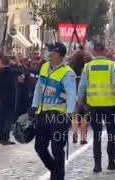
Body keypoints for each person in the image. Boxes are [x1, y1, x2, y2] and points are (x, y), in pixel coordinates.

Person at [30, 42, 77, 180]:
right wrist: (34, 105)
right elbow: (39, 88)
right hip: (43, 114)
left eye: (53, 52)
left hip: (59, 116)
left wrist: (69, 114)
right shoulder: (44, 67)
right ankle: (56, 170)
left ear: (60, 56)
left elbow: (71, 94)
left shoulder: (68, 73)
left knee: (57, 149)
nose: (49, 54)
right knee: (40, 147)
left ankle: (57, 177)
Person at [78, 43, 115, 173]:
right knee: (111, 134)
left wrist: (80, 102)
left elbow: (82, 86)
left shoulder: (87, 67)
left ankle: (97, 164)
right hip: (110, 105)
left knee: (97, 135)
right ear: (105, 51)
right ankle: (111, 162)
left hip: (94, 105)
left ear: (94, 51)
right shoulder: (112, 65)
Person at [69, 50, 93, 145]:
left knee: (75, 115)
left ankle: (75, 133)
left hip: (74, 91)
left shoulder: (71, 67)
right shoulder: (88, 67)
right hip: (86, 92)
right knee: (85, 116)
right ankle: (83, 138)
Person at [0, 56, 17, 145]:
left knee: (2, 118)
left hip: (1, 97)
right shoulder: (11, 72)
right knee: (8, 119)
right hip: (10, 98)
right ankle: (5, 138)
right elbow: (19, 68)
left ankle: (1, 137)